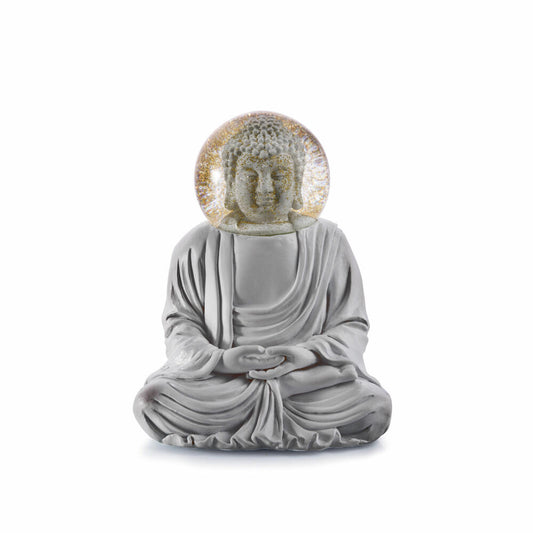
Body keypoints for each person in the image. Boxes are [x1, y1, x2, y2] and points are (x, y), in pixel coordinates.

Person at [133, 116, 391, 450]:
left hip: (303, 380)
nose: (266, 189)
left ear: (298, 181)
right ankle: (278, 398)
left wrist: (305, 355)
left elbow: (351, 325)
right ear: (229, 181)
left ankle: (285, 391)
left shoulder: (328, 242)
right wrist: (222, 361)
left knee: (374, 407)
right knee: (152, 402)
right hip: (225, 382)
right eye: (251, 176)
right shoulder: (198, 245)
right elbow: (180, 325)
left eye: (279, 175)